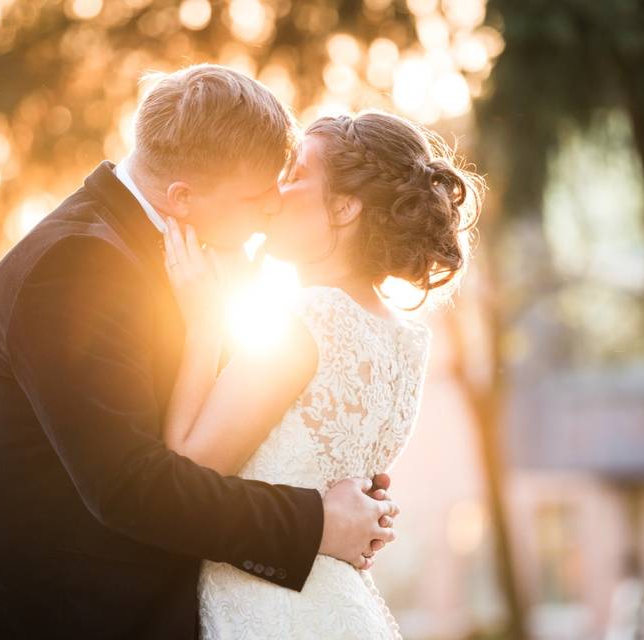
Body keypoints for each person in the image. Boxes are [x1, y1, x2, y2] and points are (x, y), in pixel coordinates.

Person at [0, 64, 399, 640]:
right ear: (182, 197)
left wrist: (331, 465)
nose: (273, 207)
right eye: (255, 197)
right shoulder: (74, 267)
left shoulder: (198, 253)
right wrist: (317, 523)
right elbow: (130, 487)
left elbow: (217, 426)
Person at [160, 110, 482, 639]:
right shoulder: (404, 338)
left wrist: (200, 325)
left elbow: (186, 472)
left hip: (275, 615)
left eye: (295, 175)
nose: (274, 191)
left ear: (345, 206)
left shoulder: (306, 322)